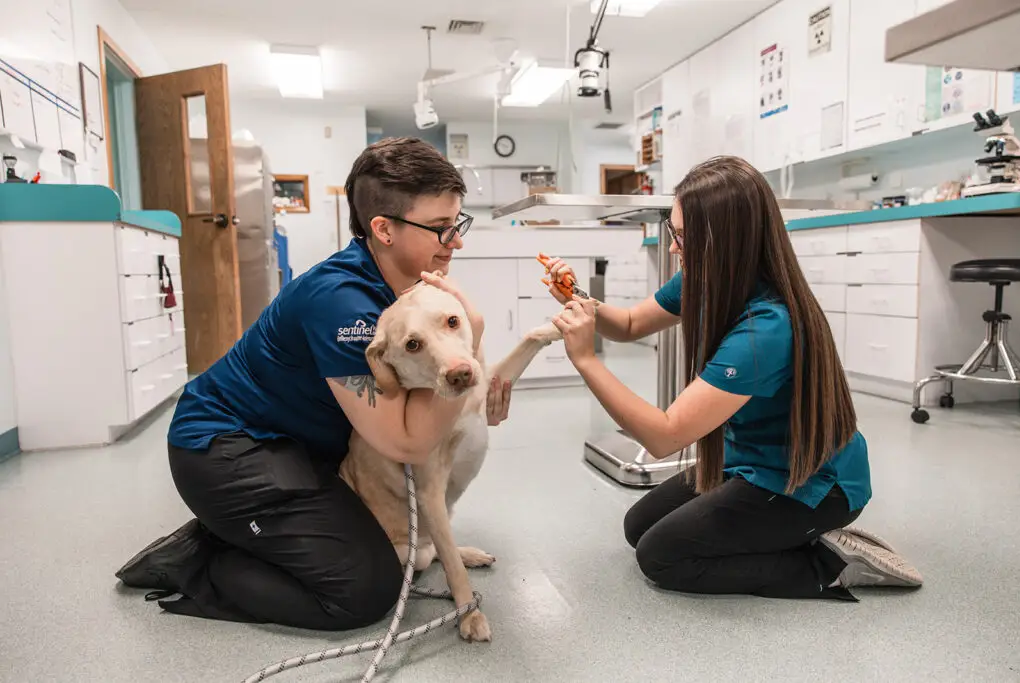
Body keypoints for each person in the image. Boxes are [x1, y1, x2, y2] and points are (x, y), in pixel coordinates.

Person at [114, 137, 514, 630]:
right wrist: (473, 333)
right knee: (365, 589)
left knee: (384, 546)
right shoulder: (345, 307)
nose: (456, 241)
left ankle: (244, 532)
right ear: (383, 229)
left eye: (457, 224)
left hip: (302, 448)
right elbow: (407, 440)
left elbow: (416, 394)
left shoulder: (403, 289)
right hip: (226, 449)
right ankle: (197, 563)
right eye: (439, 228)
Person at [545, 155, 922, 600]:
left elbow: (665, 437)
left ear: (722, 240)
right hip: (752, 461)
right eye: (674, 232)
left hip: (813, 484)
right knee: (638, 526)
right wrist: (580, 297)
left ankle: (830, 564)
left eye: (681, 237)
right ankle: (789, 536)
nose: (672, 248)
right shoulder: (706, 278)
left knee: (662, 556)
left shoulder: (765, 329)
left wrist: (587, 361)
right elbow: (628, 324)